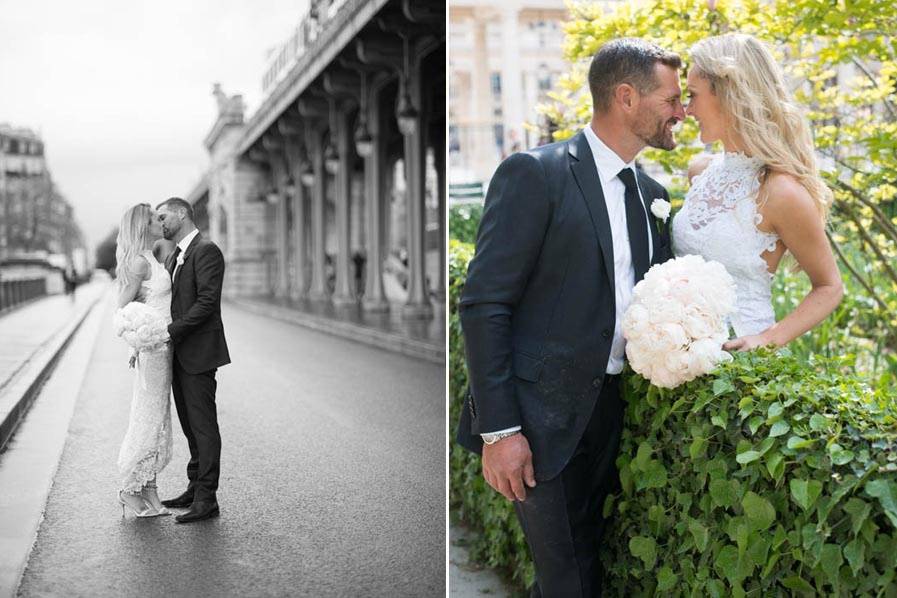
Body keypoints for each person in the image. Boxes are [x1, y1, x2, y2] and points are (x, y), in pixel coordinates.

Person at [457, 39, 683, 596]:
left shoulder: (652, 194)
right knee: (570, 581)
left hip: (612, 414)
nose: (681, 111)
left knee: (578, 570)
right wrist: (500, 430)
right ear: (626, 97)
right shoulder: (535, 173)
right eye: (672, 98)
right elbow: (485, 303)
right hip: (537, 421)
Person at [676, 33, 843, 348]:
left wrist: (767, 339)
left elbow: (830, 286)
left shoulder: (781, 193)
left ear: (728, 95)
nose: (687, 110)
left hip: (742, 378)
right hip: (680, 365)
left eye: (693, 95)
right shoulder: (700, 172)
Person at [156, 197, 231, 524]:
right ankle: (193, 485)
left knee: (203, 426)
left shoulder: (207, 249)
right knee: (190, 426)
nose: (161, 224)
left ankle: (207, 498)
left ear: (182, 213)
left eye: (164, 217)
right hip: (181, 356)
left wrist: (169, 332)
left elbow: (206, 304)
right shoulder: (178, 255)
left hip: (199, 354)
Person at [115, 203, 175, 518]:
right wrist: (138, 342)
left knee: (159, 419)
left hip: (166, 349)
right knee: (147, 418)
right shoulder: (139, 263)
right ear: (142, 225)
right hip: (153, 350)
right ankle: (128, 490)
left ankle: (149, 488)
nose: (159, 220)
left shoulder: (154, 256)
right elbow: (122, 311)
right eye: (153, 218)